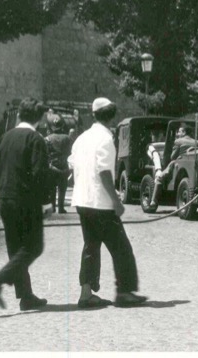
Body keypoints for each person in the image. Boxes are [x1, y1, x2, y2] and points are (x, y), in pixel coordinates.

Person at [69, 97, 147, 309]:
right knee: (121, 248)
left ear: (93, 115)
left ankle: (86, 293)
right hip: (101, 203)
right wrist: (116, 201)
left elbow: (71, 164)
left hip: (83, 201)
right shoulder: (106, 139)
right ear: (112, 116)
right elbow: (104, 172)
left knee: (91, 246)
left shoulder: (81, 139)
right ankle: (124, 291)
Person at [0, 98, 52, 311]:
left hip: (5, 199)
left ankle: (26, 295)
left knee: (15, 247)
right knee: (33, 246)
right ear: (39, 119)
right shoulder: (35, 139)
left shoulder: (4, 138)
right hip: (26, 200)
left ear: (20, 115)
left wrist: (2, 194)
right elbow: (40, 173)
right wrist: (46, 202)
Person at [45, 116, 72, 214]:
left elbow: (46, 153)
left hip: (52, 167)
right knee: (62, 188)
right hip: (64, 166)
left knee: (52, 188)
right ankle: (61, 207)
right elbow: (70, 152)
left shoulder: (47, 138)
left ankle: (52, 207)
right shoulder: (67, 138)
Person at [147, 131, 170, 210]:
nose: (155, 137)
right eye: (154, 135)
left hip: (167, 163)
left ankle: (153, 200)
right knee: (153, 151)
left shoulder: (168, 144)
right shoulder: (151, 146)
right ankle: (158, 170)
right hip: (159, 162)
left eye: (158, 134)